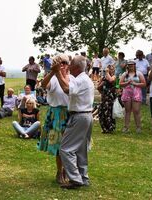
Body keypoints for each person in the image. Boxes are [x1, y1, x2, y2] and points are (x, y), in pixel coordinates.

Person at [52, 55, 94, 189]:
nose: (68, 66)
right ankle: (83, 177)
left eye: (70, 64)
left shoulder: (80, 80)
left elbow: (66, 89)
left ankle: (75, 179)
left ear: (75, 67)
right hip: (86, 116)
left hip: (79, 116)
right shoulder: (84, 79)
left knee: (65, 149)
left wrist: (57, 72)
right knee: (81, 150)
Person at [38, 54, 70, 184]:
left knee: (70, 145)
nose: (61, 65)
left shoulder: (72, 78)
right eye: (59, 63)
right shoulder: (53, 79)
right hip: (56, 113)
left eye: (64, 63)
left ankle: (67, 171)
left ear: (68, 65)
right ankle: (59, 171)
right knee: (59, 146)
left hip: (70, 113)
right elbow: (43, 85)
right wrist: (53, 72)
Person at [119, 60, 146, 133]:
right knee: (127, 111)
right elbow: (120, 83)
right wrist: (127, 82)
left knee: (136, 110)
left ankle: (138, 127)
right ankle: (126, 127)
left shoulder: (139, 73)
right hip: (127, 92)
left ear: (134, 65)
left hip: (136, 92)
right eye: (129, 65)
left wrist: (135, 84)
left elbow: (144, 84)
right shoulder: (125, 74)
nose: (130, 66)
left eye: (132, 65)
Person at [97, 65, 117, 133]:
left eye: (111, 69)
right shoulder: (103, 78)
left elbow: (111, 80)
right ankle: (104, 128)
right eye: (108, 69)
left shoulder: (114, 76)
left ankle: (110, 128)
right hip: (104, 97)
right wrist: (102, 88)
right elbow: (98, 87)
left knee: (109, 112)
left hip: (110, 97)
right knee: (102, 112)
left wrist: (107, 73)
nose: (110, 70)